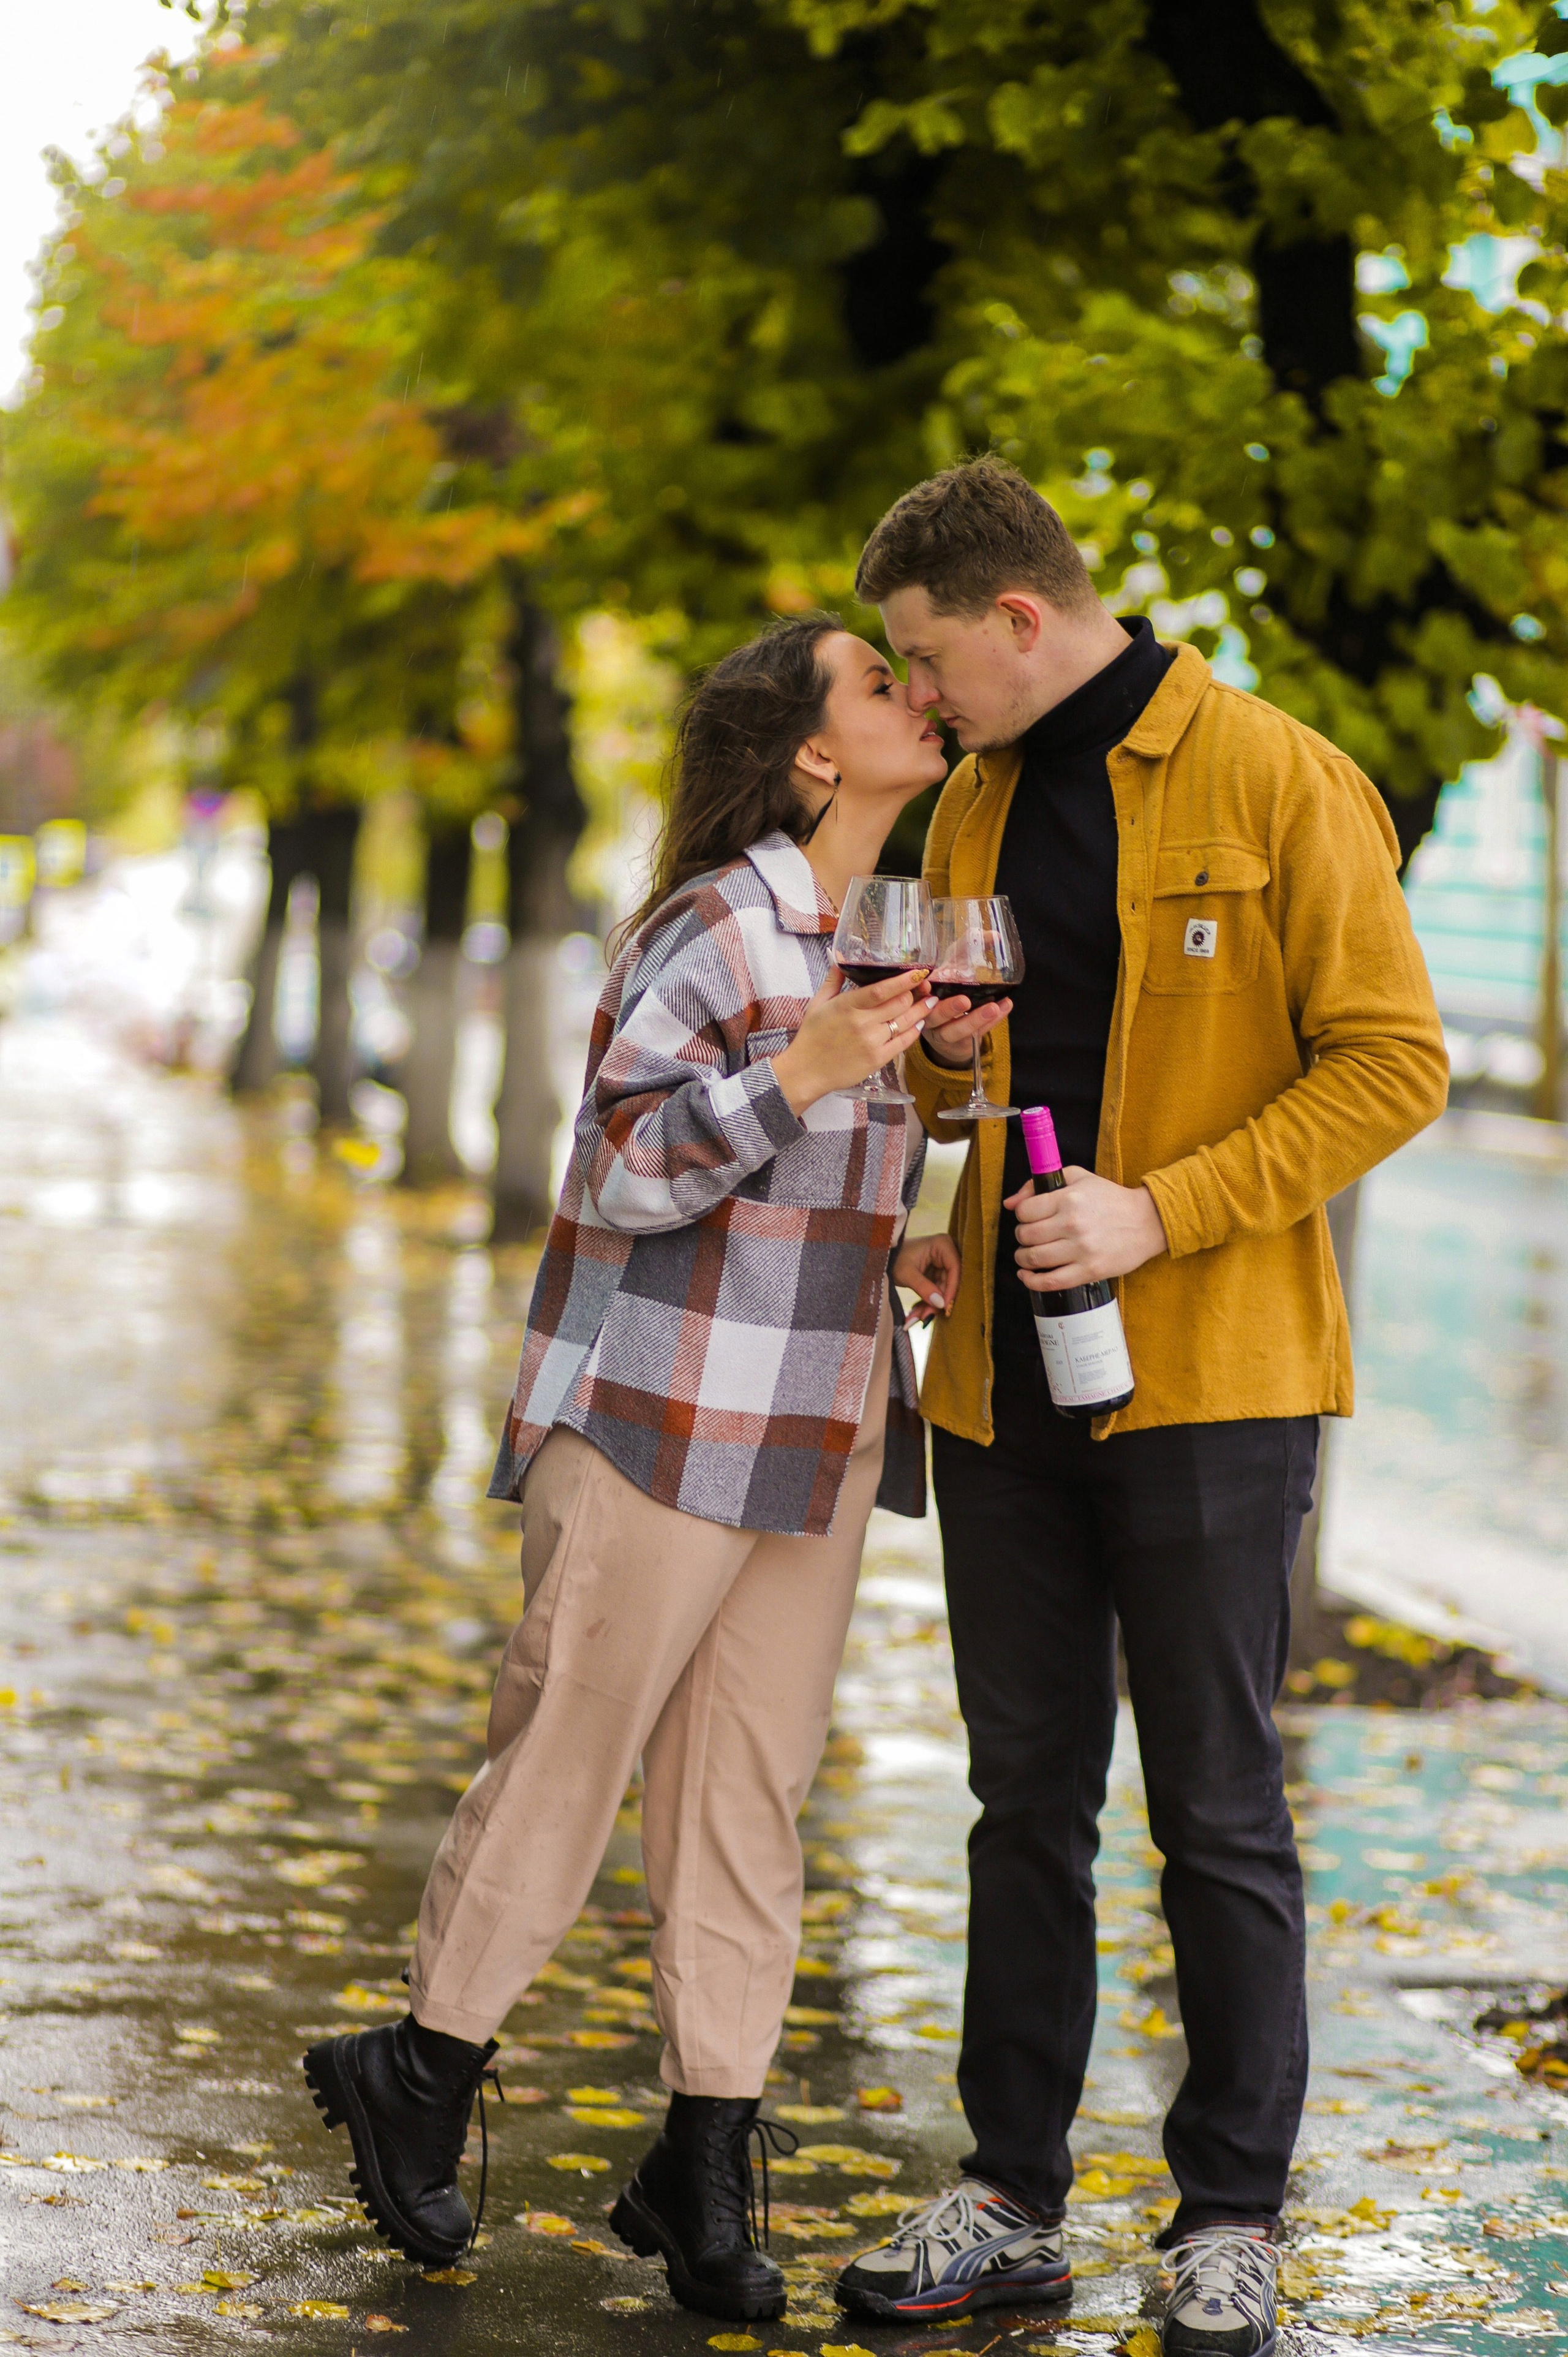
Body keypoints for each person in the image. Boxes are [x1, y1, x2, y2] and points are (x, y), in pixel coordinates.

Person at [831, 460, 1447, 2353]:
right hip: (1010, 1382)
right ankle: (1010, 2192)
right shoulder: (978, 805)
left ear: (1021, 616)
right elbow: (969, 1086)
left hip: (1216, 1383)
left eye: (933, 666)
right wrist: (941, 1096)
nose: (919, 709)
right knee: (1024, 1798)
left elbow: (1395, 1061)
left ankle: (1231, 2215)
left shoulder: (1276, 774)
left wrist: (1157, 1210)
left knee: (1220, 1809)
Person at [302, 612, 961, 2322]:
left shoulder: (883, 928)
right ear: (815, 751)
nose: (916, 697)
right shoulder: (723, 923)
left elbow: (845, 1185)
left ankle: (706, 2164)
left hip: (817, 1427)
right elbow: (618, 1168)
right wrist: (799, 1072)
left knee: (747, 1793)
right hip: (666, 1411)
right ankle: (420, 2070)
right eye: (879, 682)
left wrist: (900, 1249)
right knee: (570, 1752)